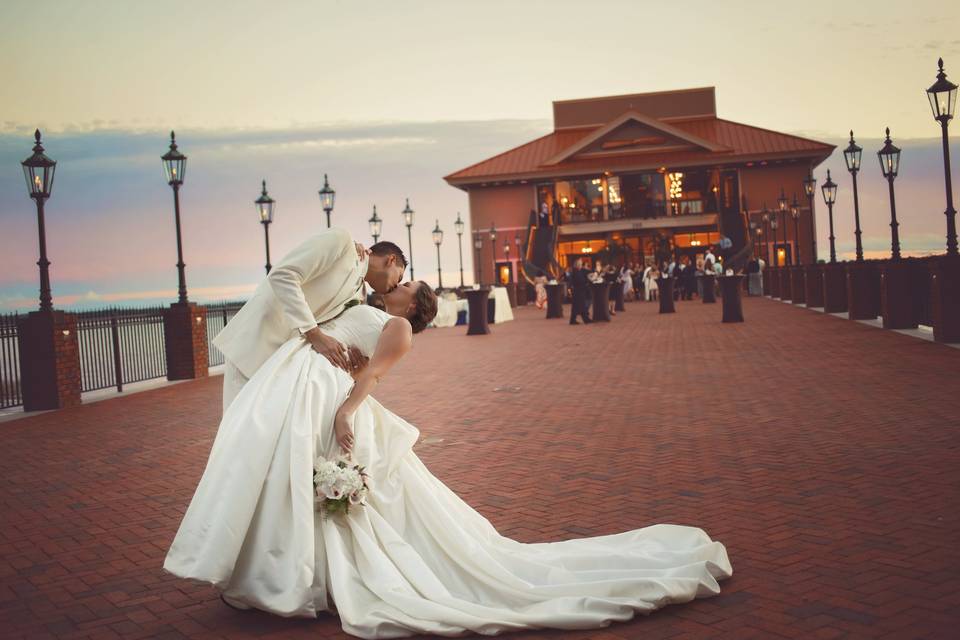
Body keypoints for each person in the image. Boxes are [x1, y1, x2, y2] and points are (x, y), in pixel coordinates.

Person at [164, 275, 730, 638]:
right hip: (314, 394)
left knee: (345, 493)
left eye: (408, 284)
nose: (402, 283)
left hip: (338, 403)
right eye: (403, 279)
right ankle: (295, 572)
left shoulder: (399, 326)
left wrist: (345, 413)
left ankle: (316, 577)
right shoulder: (363, 306)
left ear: (416, 305)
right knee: (302, 485)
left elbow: (372, 376)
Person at [213, 228, 406, 413]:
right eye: (400, 276)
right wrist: (314, 334)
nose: (397, 285)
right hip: (255, 347)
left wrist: (356, 363)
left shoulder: (358, 294)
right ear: (391, 260)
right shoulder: (341, 243)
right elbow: (283, 275)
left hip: (284, 366)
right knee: (238, 433)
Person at [569, 258, 592, 325]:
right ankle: (582, 320)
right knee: (579, 306)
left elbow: (587, 273)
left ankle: (578, 320)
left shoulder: (579, 271)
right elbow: (579, 281)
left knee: (579, 306)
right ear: (577, 264)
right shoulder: (575, 272)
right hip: (578, 291)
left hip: (579, 291)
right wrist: (586, 282)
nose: (581, 264)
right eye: (580, 263)